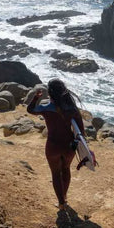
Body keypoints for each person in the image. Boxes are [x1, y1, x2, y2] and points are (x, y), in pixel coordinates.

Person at [27, 79, 85, 210]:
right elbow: (81, 131)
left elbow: (30, 110)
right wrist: (77, 144)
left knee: (55, 173)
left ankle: (61, 203)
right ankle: (64, 197)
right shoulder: (72, 109)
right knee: (65, 170)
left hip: (53, 146)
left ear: (51, 93)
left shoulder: (46, 108)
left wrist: (36, 97)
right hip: (68, 146)